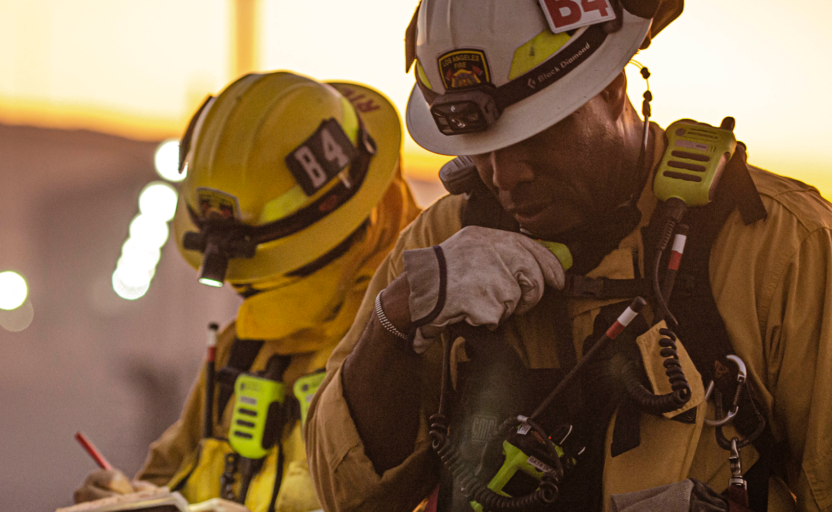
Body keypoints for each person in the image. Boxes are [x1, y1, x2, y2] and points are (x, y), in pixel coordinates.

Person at [305, 1, 832, 511]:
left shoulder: (779, 245)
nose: (504, 176)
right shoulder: (443, 242)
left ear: (611, 88)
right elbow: (348, 494)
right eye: (481, 144)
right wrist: (397, 316)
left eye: (535, 134)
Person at [72, 71, 420, 512]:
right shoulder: (242, 352)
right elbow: (170, 471)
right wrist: (130, 499)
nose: (248, 294)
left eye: (269, 276)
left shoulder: (422, 344)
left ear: (346, 227)